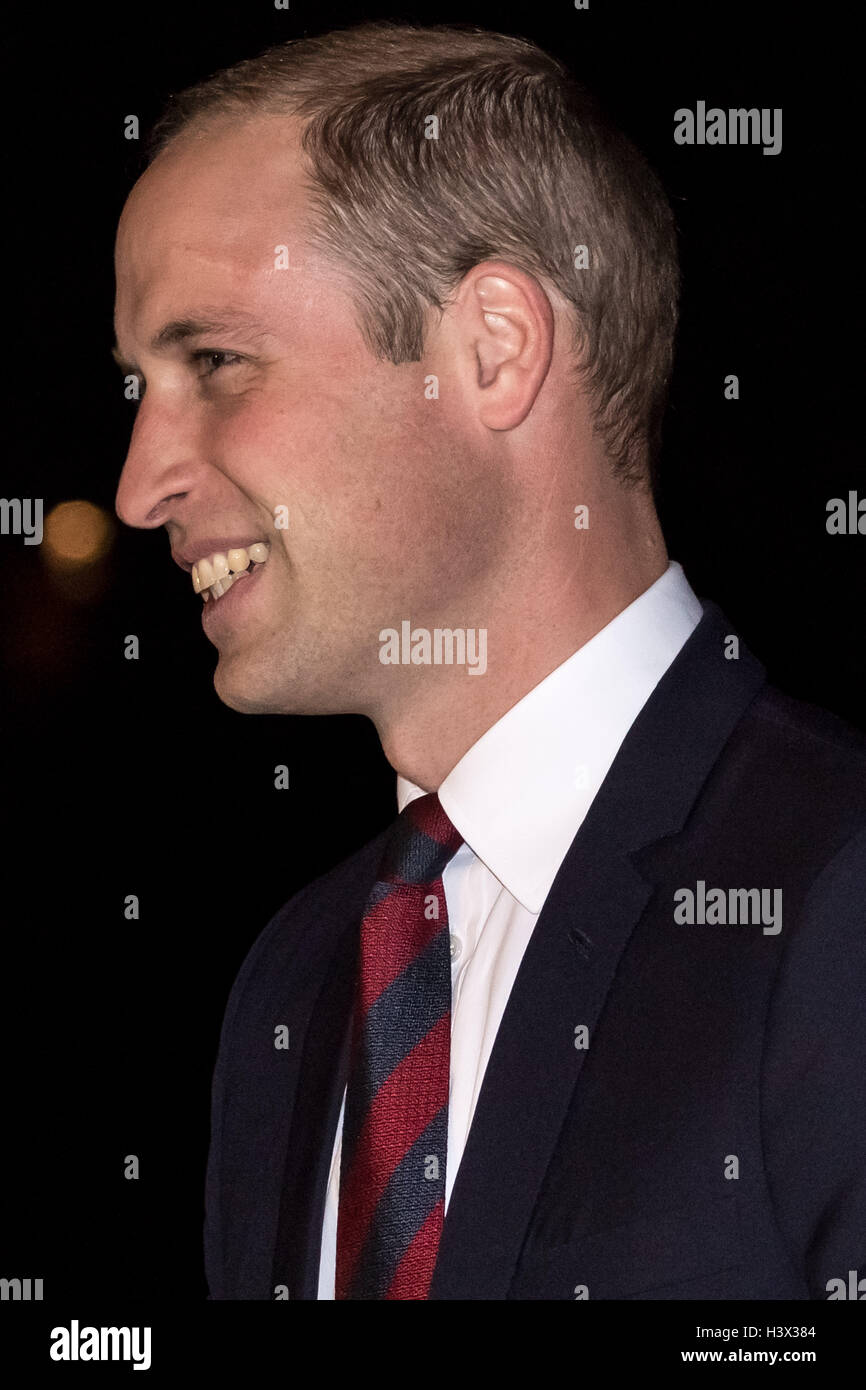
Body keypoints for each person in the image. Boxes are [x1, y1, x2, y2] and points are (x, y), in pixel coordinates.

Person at [112, 22, 865, 1300]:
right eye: (140, 386)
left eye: (218, 362)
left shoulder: (838, 893)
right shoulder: (294, 981)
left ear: (493, 350)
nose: (139, 489)